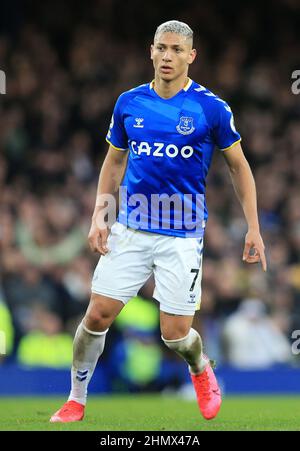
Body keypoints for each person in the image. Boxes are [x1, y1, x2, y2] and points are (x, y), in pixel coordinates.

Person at [50, 20, 267, 423]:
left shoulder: (210, 108)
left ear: (191, 56)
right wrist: (101, 214)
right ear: (151, 51)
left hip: (182, 236)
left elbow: (239, 167)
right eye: (162, 48)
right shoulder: (129, 103)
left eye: (176, 50)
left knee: (174, 334)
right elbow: (114, 161)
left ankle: (201, 367)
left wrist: (253, 227)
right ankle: (76, 398)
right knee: (96, 315)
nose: (168, 57)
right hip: (130, 229)